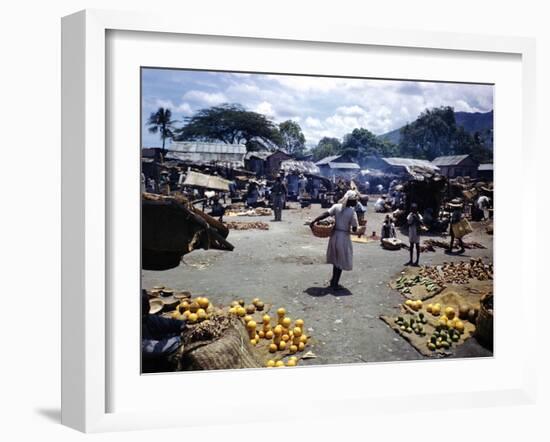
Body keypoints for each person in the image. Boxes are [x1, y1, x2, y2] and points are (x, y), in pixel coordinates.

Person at [310, 190, 359, 289]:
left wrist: (314, 221)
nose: (356, 202)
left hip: (334, 235)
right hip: (344, 237)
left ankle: (333, 280)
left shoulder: (336, 207)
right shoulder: (352, 212)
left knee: (336, 260)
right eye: (355, 200)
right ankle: (335, 283)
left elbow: (325, 214)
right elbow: (354, 228)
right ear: (350, 201)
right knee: (340, 261)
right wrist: (352, 227)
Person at [141, 290, 187, 372]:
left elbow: (165, 323)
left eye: (146, 313)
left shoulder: (147, 319)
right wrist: (179, 339)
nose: (145, 316)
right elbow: (153, 349)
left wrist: (181, 325)